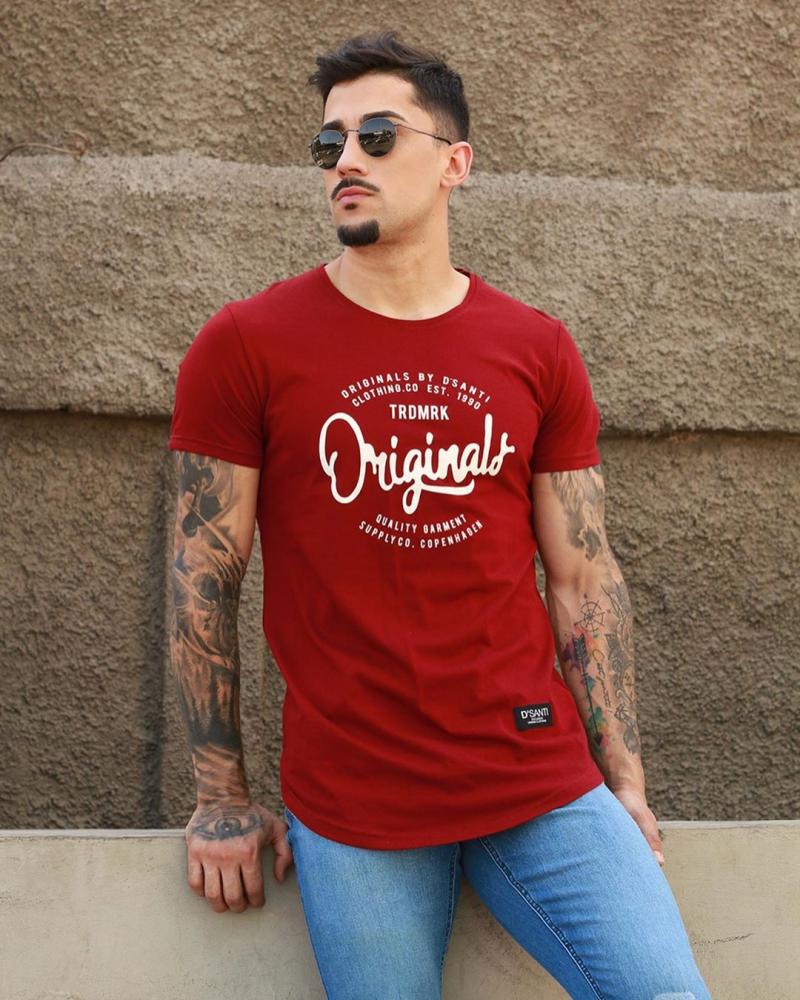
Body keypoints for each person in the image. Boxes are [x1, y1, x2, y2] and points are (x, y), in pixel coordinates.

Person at [167, 29, 712, 1000]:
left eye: (378, 136)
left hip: (536, 779)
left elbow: (583, 578)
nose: (346, 159)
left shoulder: (535, 348)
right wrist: (220, 796)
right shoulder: (247, 344)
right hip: (355, 801)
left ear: (454, 163)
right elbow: (204, 574)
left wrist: (622, 779)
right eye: (329, 142)